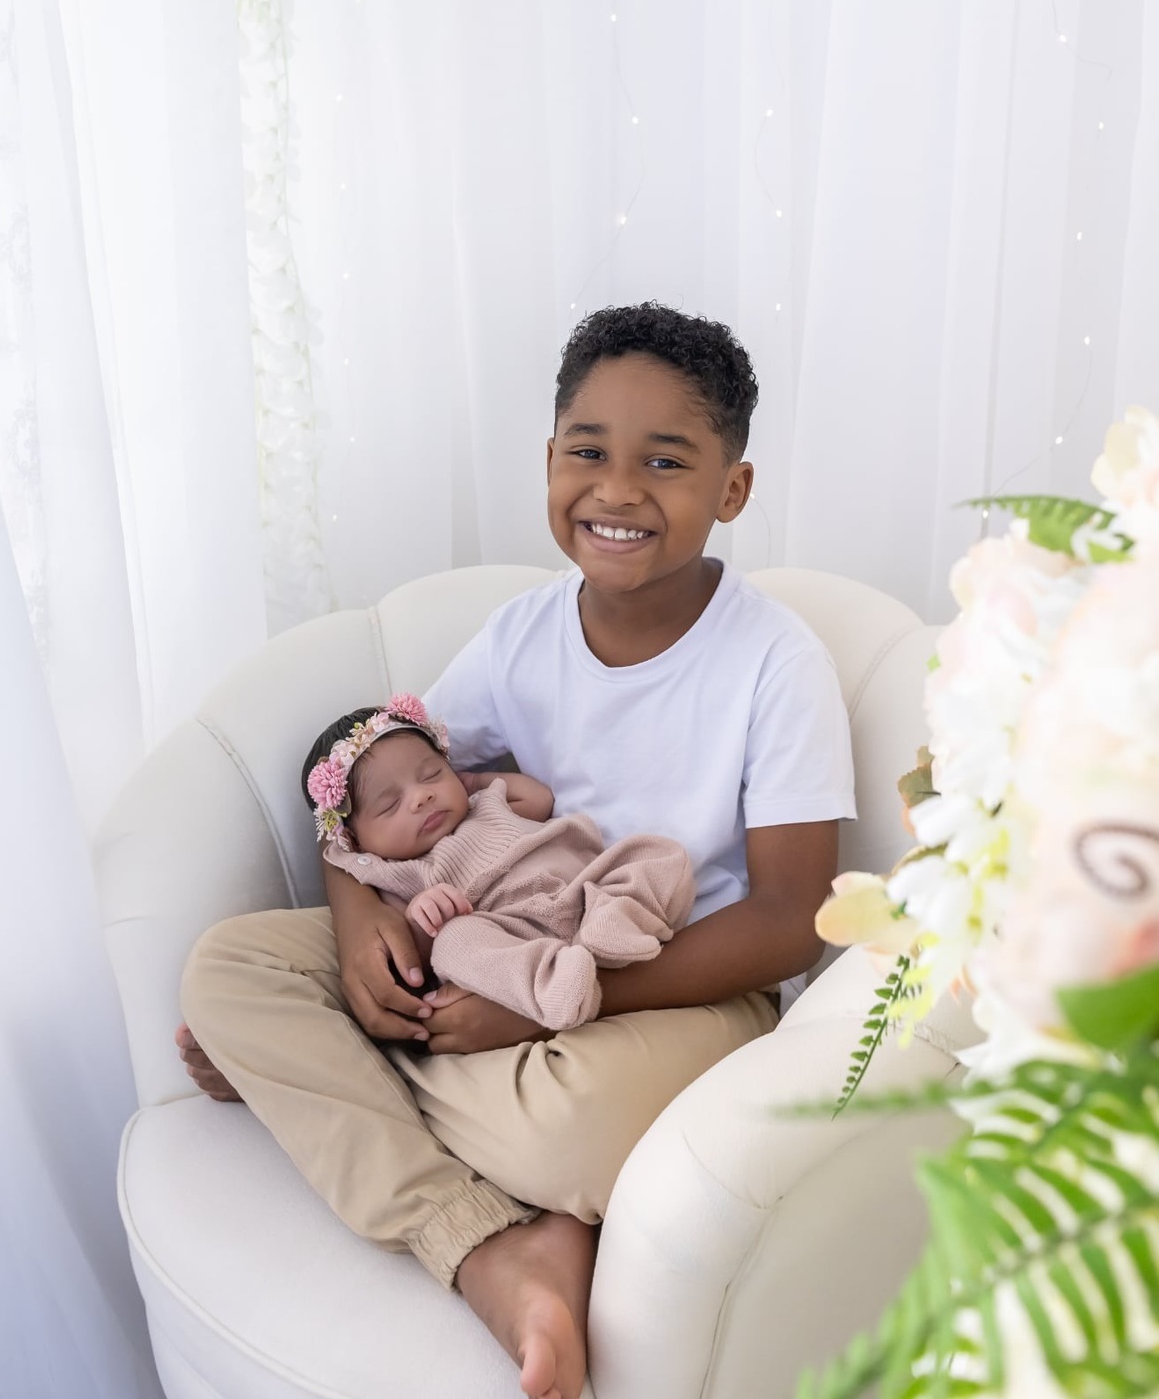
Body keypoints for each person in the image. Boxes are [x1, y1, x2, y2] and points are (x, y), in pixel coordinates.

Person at [177, 302, 855, 1399]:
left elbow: (790, 916)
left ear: (730, 489)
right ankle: (492, 1245)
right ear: (548, 461)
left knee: (571, 1136)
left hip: (673, 984)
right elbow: (364, 785)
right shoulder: (522, 636)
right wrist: (362, 930)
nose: (618, 490)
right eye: (587, 451)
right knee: (228, 970)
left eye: (666, 461)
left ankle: (333, 1088)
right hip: (489, 938)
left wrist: (553, 1003)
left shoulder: (777, 664)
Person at [303, 693, 696, 1030]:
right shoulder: (393, 874)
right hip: (513, 932)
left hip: (584, 892)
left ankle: (613, 929)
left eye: (432, 774)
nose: (421, 797)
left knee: (656, 854)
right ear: (354, 840)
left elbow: (539, 798)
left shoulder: (485, 804)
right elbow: (416, 953)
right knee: (455, 944)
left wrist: (471, 783)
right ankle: (553, 983)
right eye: (390, 804)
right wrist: (425, 913)